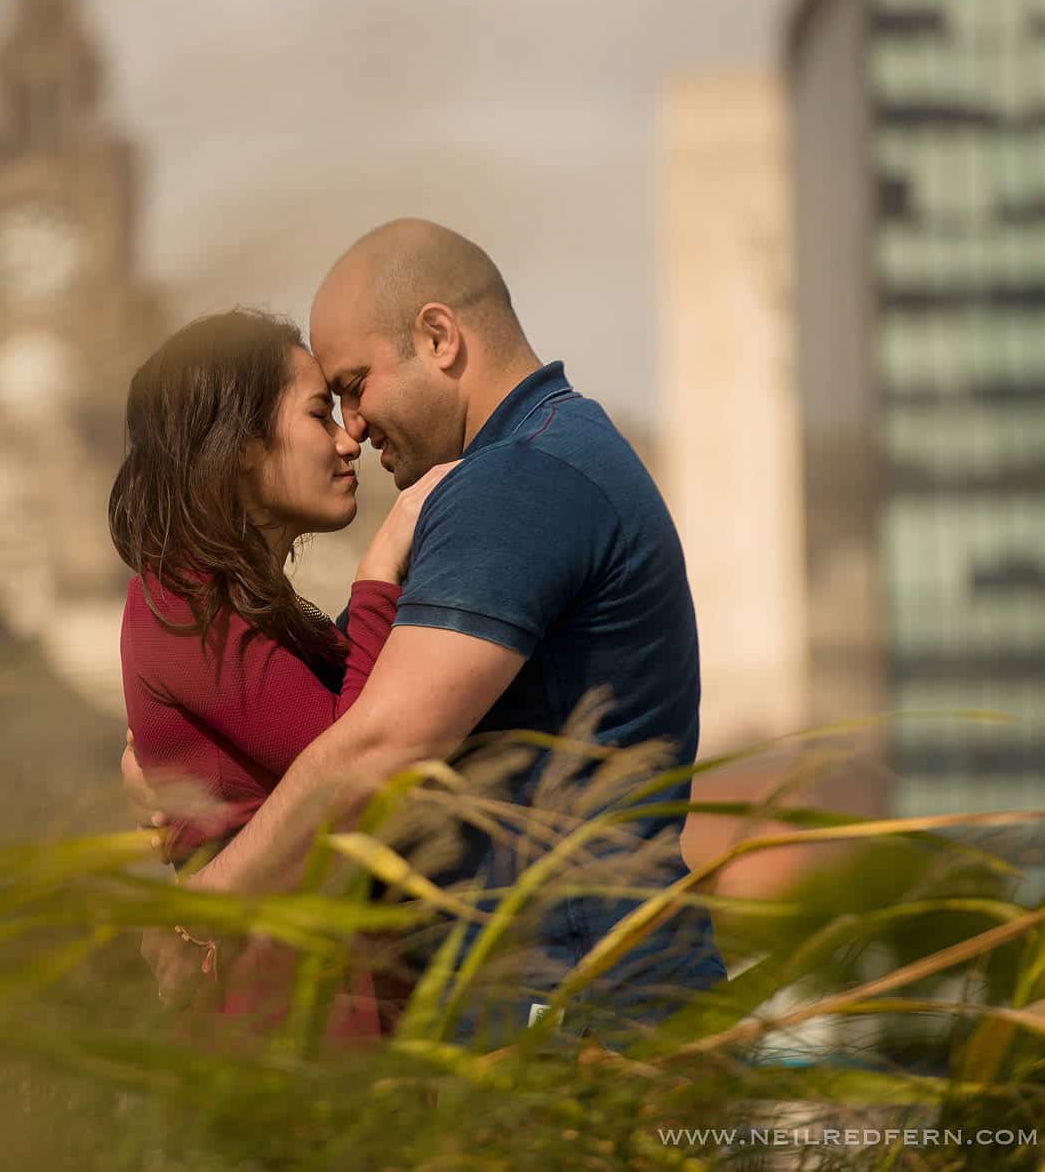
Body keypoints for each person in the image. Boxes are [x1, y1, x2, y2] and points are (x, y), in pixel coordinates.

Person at [124, 218, 727, 1038]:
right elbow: (341, 704)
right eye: (328, 403)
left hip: (572, 1003)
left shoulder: (520, 480)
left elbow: (374, 750)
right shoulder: (543, 460)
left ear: (438, 337)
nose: (353, 425)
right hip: (564, 994)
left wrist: (201, 914)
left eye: (354, 384)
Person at [110, 309, 443, 1041]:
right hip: (286, 1022)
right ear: (238, 448)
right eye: (319, 413)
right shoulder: (179, 601)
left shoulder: (226, 602)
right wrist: (381, 568)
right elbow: (352, 751)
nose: (348, 437)